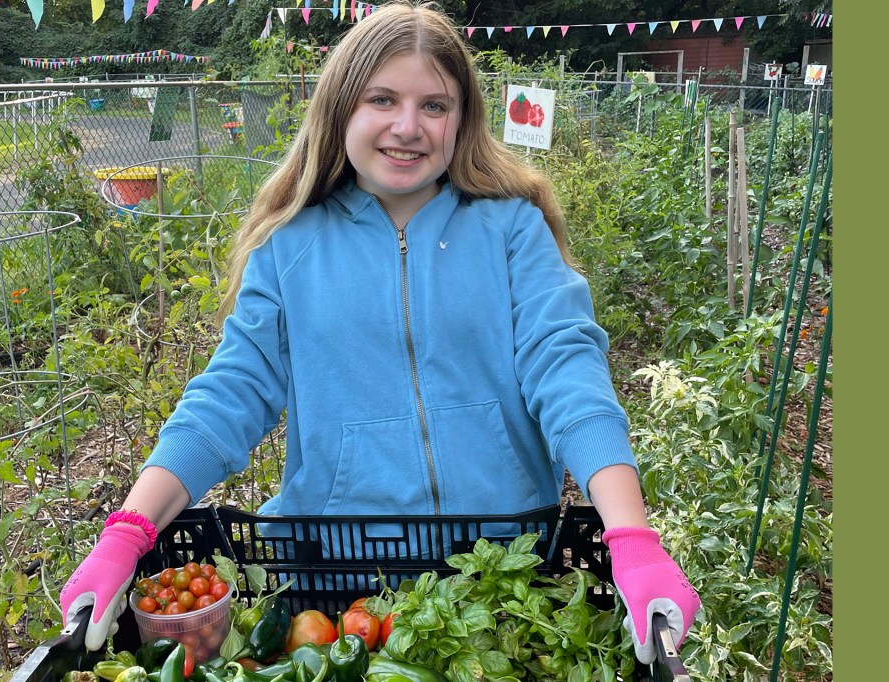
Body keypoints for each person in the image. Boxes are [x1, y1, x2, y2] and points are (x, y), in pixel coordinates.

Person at [60, 0, 700, 666]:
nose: (407, 127)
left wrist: (632, 540)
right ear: (341, 110)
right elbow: (232, 393)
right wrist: (127, 533)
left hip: (499, 572)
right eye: (382, 99)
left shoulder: (512, 229)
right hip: (332, 585)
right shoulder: (291, 246)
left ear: (462, 119)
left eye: (434, 105)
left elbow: (566, 371)